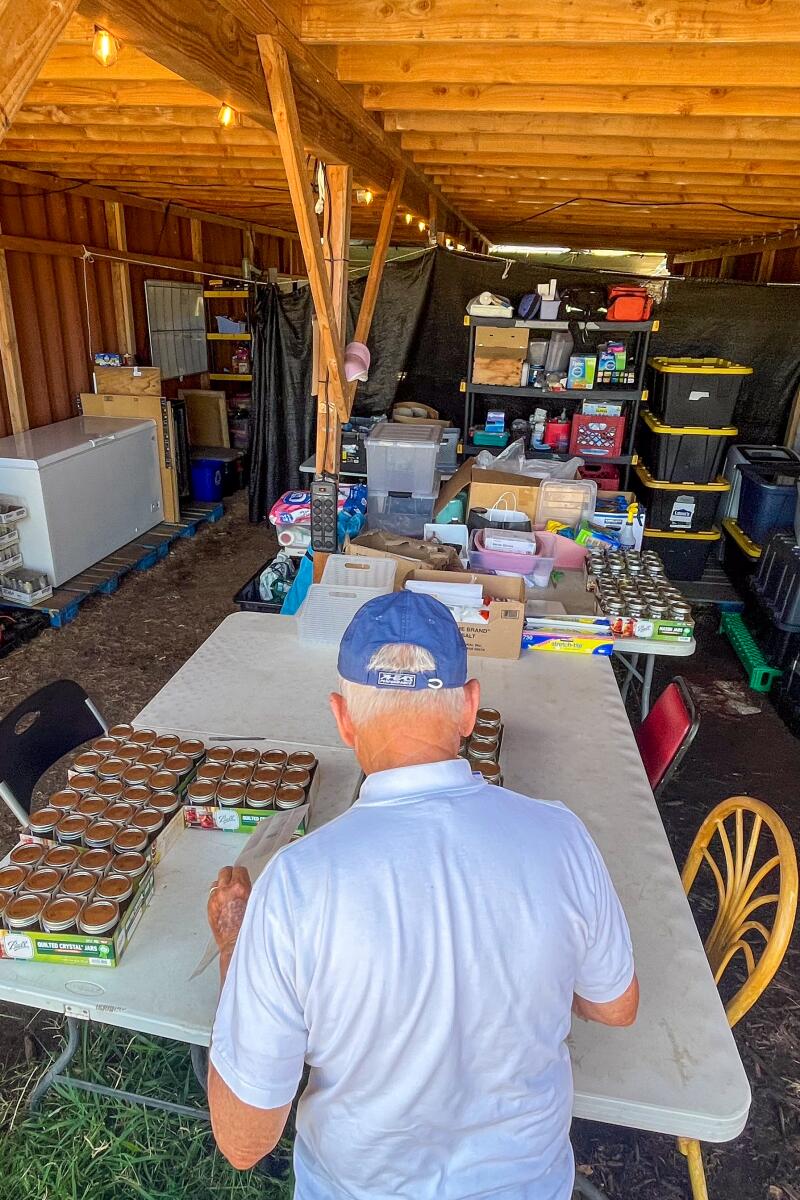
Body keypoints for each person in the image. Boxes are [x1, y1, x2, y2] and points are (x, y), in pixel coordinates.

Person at [206, 591, 638, 1199]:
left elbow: (244, 1141)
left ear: (343, 718)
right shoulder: (560, 836)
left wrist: (234, 946)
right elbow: (614, 1007)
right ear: (469, 707)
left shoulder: (297, 884)